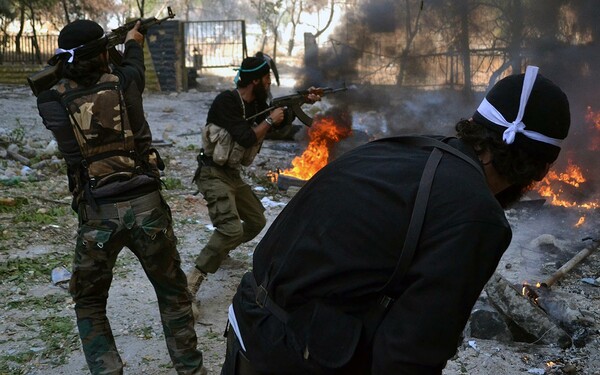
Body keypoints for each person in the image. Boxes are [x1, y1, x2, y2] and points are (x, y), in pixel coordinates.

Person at [221, 66, 571, 374]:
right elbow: (409, 355)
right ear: (538, 169)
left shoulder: (406, 148)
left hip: (247, 325)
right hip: (288, 356)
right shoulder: (478, 216)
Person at [36, 20, 206, 375]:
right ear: (102, 52)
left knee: (90, 302)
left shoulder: (50, 99)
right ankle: (192, 371)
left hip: (97, 214)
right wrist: (131, 41)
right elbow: (131, 65)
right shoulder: (126, 82)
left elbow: (63, 84)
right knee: (173, 295)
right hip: (147, 209)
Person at [187, 56, 321, 302]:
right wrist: (270, 120)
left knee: (256, 221)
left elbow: (281, 124)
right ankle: (192, 282)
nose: (270, 82)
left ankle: (220, 251)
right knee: (230, 229)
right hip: (211, 173)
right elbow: (246, 137)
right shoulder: (226, 102)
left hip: (232, 174)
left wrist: (303, 101)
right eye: (267, 78)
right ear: (256, 80)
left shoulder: (258, 103)